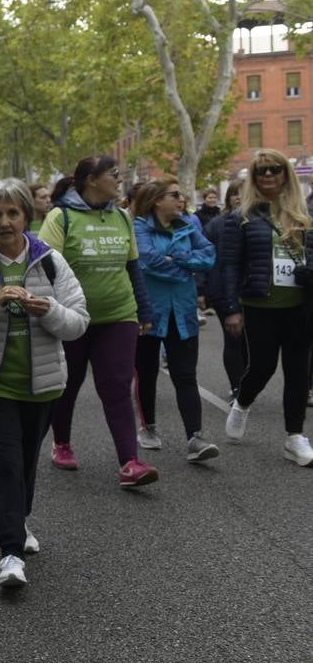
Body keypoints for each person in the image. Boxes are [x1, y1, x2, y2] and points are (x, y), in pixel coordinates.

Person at [0, 179, 88, 588]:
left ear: (27, 216)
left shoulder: (52, 262)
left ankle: (18, 523)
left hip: (42, 386)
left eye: (13, 213)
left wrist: (49, 309)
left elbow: (78, 324)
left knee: (24, 463)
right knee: (4, 463)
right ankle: (9, 552)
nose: (5, 222)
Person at [39, 155, 159, 486]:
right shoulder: (60, 217)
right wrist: (51, 313)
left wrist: (143, 310)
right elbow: (46, 269)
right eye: (113, 175)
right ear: (91, 179)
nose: (118, 180)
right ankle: (61, 442)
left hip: (119, 315)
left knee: (118, 385)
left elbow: (133, 267)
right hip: (73, 318)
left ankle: (130, 462)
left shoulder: (122, 216)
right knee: (68, 384)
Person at [217, 150, 313, 466]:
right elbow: (229, 265)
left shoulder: (303, 215)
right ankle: (243, 402)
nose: (268, 175)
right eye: (261, 171)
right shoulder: (240, 218)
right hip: (259, 305)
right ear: (254, 177)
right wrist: (230, 308)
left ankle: (294, 437)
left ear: (285, 173)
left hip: (299, 305)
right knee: (263, 366)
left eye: (274, 169)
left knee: (299, 370)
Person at [131, 178, 219, 462]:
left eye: (181, 195)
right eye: (174, 195)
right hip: (148, 311)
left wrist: (177, 259)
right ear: (157, 200)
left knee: (185, 375)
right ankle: (148, 427)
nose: (181, 200)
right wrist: (184, 267)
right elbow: (147, 260)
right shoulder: (139, 226)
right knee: (146, 372)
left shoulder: (189, 225)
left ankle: (195, 438)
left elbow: (208, 257)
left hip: (182, 312)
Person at [202, 185, 245, 401]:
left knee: (249, 342)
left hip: (250, 289)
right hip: (221, 288)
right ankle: (237, 387)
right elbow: (204, 256)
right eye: (235, 194)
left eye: (243, 193)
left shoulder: (257, 221)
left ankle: (246, 382)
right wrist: (201, 289)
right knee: (233, 338)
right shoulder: (216, 224)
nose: (239, 198)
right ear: (229, 198)